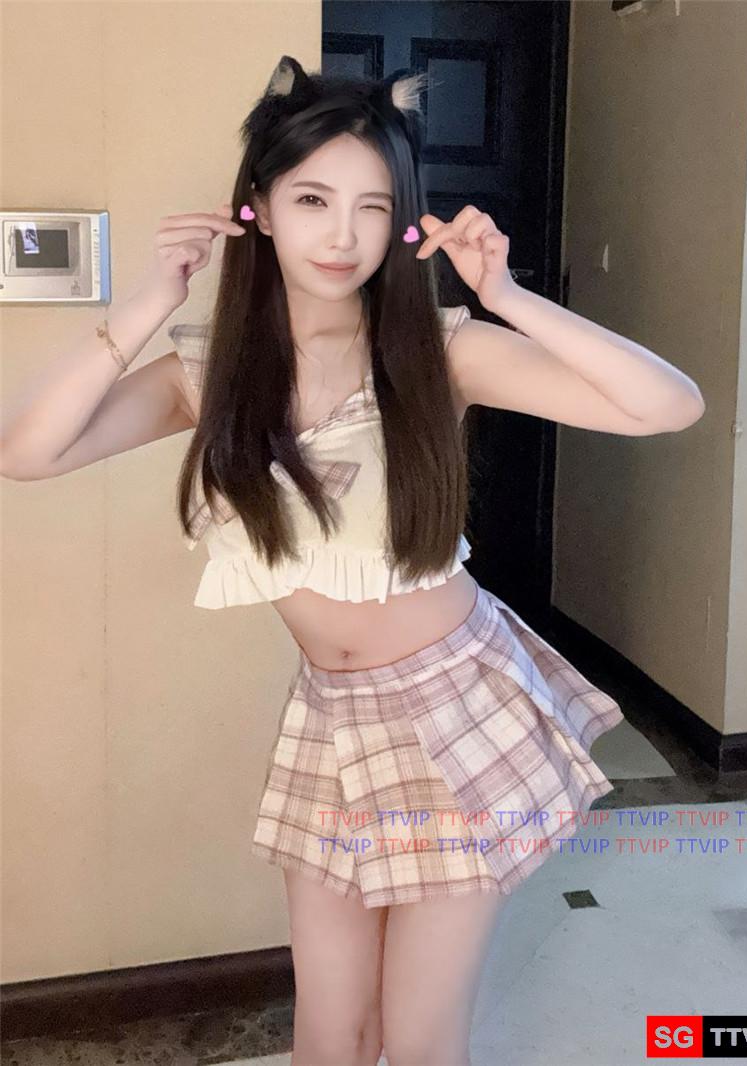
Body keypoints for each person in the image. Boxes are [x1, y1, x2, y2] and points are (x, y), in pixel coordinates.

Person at [0, 54, 705, 1066]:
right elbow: (27, 452)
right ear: (257, 209)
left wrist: (506, 295)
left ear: (402, 223)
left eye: (373, 207)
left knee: (417, 1040)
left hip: (455, 709)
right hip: (331, 720)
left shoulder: (440, 350)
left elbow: (666, 405)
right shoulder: (209, 373)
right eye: (313, 200)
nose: (341, 236)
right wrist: (152, 298)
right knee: (330, 1035)